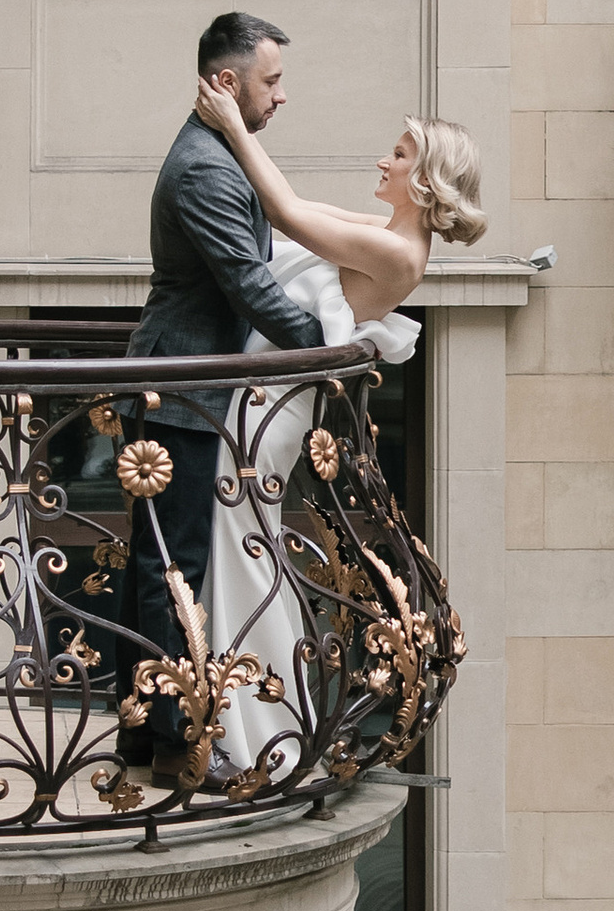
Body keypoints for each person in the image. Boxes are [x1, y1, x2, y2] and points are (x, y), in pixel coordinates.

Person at [189, 89, 488, 786]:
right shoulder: (386, 233)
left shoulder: (396, 254)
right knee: (235, 560)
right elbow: (291, 210)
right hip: (257, 401)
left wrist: (233, 125)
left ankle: (258, 734)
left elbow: (288, 212)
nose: (383, 160)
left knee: (244, 564)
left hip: (265, 414)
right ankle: (241, 721)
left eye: (400, 154)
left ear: (424, 179)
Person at [121, 11, 323, 782]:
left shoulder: (217, 153)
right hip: (179, 392)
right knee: (173, 568)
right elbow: (246, 286)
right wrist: (327, 335)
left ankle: (146, 731)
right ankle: (172, 743)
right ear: (227, 81)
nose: (281, 96)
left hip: (192, 388)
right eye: (270, 81)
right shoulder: (205, 167)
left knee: (165, 562)